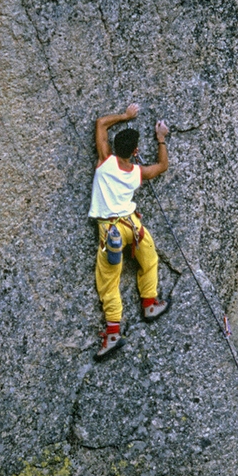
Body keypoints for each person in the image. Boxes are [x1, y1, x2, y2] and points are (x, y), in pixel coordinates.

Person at [88, 103, 170, 360]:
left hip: (109, 230)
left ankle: (113, 332)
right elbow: (162, 166)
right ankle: (149, 304)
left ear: (113, 148)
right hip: (132, 226)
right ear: (135, 151)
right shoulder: (137, 173)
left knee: (109, 281)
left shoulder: (104, 162)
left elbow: (101, 122)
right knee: (150, 259)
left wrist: (125, 116)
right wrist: (161, 139)